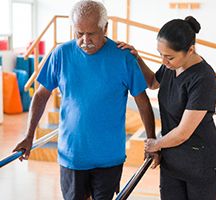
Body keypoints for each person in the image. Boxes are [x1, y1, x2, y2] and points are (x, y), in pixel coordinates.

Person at [13, 1, 159, 199]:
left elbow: (143, 101)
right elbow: (41, 95)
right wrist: (29, 135)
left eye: (91, 33)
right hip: (72, 156)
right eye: (79, 33)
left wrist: (151, 140)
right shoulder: (61, 54)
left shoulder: (123, 57)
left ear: (105, 28)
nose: (84, 40)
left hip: (109, 157)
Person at [118, 16, 216, 199]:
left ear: (190, 50)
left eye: (169, 57)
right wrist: (137, 58)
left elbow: (184, 132)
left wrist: (155, 144)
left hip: (202, 164)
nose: (163, 61)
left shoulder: (204, 78)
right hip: (173, 161)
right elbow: (153, 82)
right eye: (160, 54)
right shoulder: (172, 66)